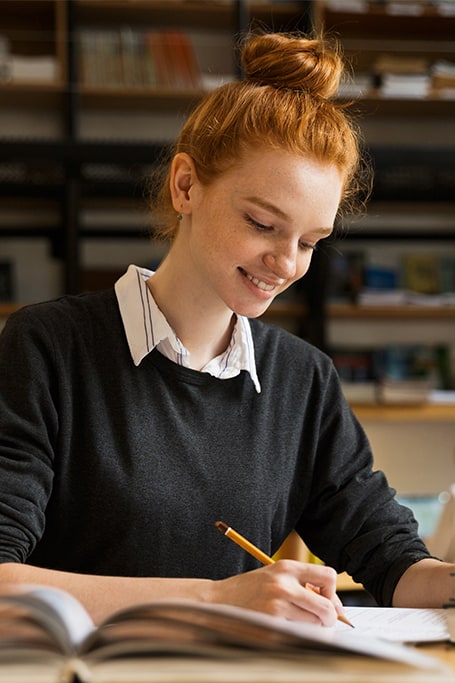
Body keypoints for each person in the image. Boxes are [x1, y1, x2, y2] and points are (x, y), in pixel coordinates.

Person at [0, 32, 453, 627]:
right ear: (185, 185)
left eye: (310, 242)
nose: (287, 263)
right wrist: (217, 598)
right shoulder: (49, 348)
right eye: (263, 224)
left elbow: (394, 565)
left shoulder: (301, 379)